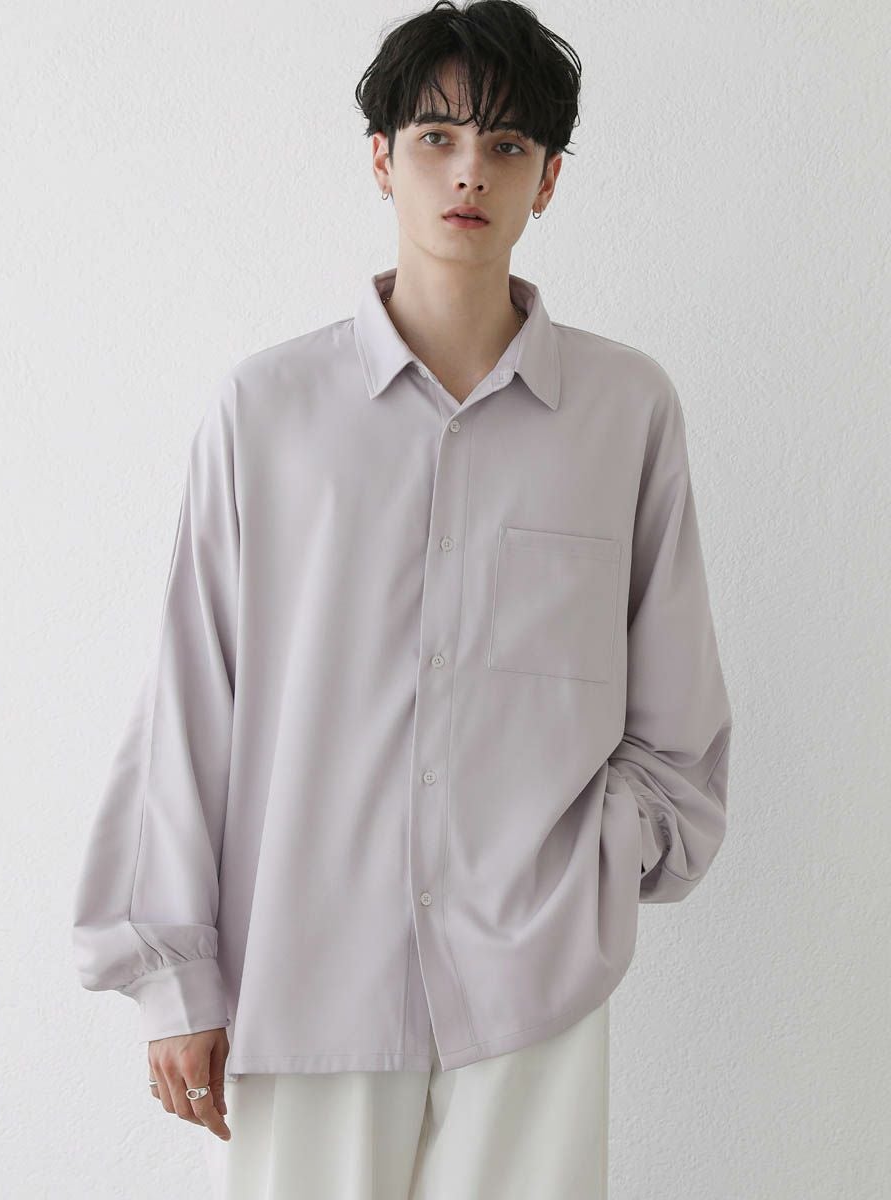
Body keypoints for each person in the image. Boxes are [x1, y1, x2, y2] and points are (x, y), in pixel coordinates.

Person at [71, 2, 733, 1196]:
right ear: (381, 159)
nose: (469, 171)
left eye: (507, 145)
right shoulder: (266, 411)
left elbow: (677, 712)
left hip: (533, 993)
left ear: (548, 179)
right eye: (436, 137)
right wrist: (174, 976)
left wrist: (588, 873)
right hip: (304, 980)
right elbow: (191, 702)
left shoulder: (625, 411)